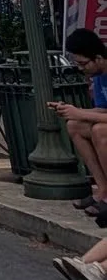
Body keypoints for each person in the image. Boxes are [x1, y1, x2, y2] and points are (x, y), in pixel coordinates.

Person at [53, 28, 107, 226]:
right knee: (75, 125)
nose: (82, 68)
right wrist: (73, 111)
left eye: (84, 63)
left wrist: (81, 113)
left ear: (98, 58)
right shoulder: (100, 75)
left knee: (99, 130)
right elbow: (102, 111)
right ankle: (102, 189)